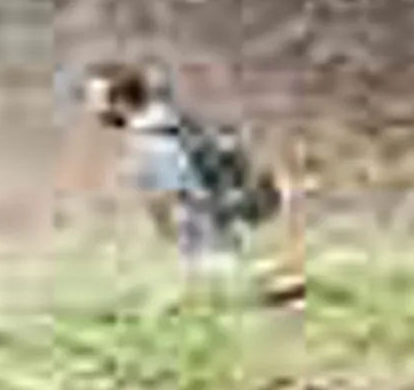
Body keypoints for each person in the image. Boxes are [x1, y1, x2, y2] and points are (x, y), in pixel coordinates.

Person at [82, 64, 281, 254]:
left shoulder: (152, 140)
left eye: (96, 100)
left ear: (121, 102)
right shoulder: (170, 118)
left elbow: (191, 197)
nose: (91, 108)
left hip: (212, 245)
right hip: (223, 234)